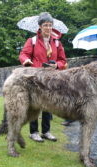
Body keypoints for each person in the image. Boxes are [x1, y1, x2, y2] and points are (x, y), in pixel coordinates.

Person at [19, 12, 67, 142]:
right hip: (36, 77)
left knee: (49, 104)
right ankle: (33, 132)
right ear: (40, 27)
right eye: (45, 25)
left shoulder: (57, 43)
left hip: (52, 78)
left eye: (50, 25)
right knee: (34, 105)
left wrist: (56, 65)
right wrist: (26, 61)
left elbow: (63, 60)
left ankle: (46, 131)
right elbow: (23, 54)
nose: (48, 28)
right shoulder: (32, 41)